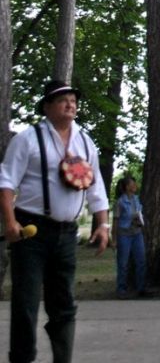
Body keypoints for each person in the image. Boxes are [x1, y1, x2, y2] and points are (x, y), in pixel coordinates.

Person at [0, 80, 110, 363]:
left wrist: (103, 225)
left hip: (66, 233)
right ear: (47, 106)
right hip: (31, 232)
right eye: (62, 100)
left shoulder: (85, 141)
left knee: (64, 304)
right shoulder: (27, 139)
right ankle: (22, 358)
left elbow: (96, 187)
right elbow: (6, 182)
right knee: (26, 303)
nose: (70, 104)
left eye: (73, 100)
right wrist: (10, 222)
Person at [111, 174, 147, 299]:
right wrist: (114, 239)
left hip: (137, 233)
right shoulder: (120, 202)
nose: (135, 186)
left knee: (141, 260)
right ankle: (121, 289)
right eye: (132, 184)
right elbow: (115, 221)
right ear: (127, 187)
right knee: (123, 263)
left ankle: (141, 287)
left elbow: (139, 213)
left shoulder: (136, 199)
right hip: (124, 235)